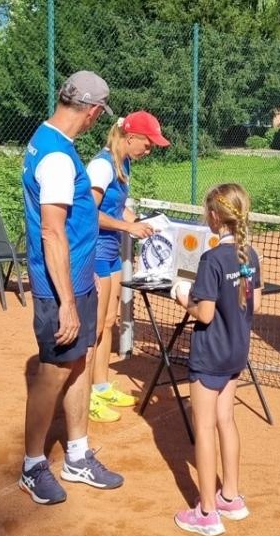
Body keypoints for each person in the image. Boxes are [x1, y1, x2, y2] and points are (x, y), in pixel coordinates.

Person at [19, 70, 124, 505]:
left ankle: (77, 455)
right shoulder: (59, 158)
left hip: (76, 279)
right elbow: (52, 232)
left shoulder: (47, 140)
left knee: (78, 362)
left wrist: (81, 282)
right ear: (93, 112)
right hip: (58, 288)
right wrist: (66, 302)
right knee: (53, 372)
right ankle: (32, 465)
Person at [172, 183, 262, 536]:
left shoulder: (211, 260)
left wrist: (183, 297)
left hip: (210, 354)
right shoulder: (250, 254)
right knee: (227, 420)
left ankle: (207, 512)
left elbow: (205, 314)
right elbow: (257, 303)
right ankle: (231, 497)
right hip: (237, 352)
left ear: (213, 217)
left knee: (205, 427)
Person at [86, 112, 171, 422]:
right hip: (93, 251)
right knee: (94, 326)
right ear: (130, 137)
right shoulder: (100, 166)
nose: (148, 151)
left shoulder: (124, 164)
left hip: (110, 251)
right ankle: (83, 397)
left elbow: (119, 208)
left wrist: (143, 223)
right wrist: (127, 227)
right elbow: (88, 213)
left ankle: (101, 386)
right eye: (147, 145)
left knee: (109, 321)